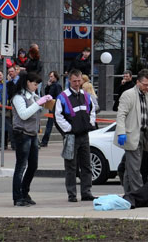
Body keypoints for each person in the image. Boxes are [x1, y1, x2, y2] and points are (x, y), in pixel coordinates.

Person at [114, 69, 148, 194]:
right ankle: (139, 193)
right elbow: (121, 115)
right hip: (131, 135)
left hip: (143, 135)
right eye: (145, 84)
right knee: (134, 167)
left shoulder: (146, 96)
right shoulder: (128, 95)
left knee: (130, 167)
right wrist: (121, 132)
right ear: (138, 82)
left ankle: (129, 194)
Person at [55, 69, 96, 202]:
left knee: (86, 165)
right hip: (71, 136)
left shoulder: (86, 95)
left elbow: (93, 111)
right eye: (74, 81)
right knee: (71, 167)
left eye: (79, 81)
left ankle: (86, 192)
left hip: (84, 135)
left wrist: (90, 123)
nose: (77, 84)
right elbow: (58, 116)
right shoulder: (63, 96)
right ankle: (72, 194)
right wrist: (69, 129)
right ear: (69, 81)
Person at [11, 71, 52, 207]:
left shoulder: (33, 96)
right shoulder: (18, 97)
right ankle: (17, 197)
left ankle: (25, 192)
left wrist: (46, 102)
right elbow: (23, 115)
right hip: (22, 134)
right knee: (21, 166)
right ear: (27, 82)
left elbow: (39, 110)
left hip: (32, 134)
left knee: (33, 166)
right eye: (35, 84)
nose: (36, 87)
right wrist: (38, 103)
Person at [40, 71, 63, 147]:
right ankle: (44, 141)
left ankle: (44, 141)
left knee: (53, 124)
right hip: (52, 107)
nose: (50, 78)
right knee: (49, 124)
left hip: (55, 107)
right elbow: (47, 94)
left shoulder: (57, 86)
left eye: (52, 76)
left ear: (55, 77)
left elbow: (58, 96)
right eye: (50, 76)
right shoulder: (52, 85)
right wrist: (48, 86)